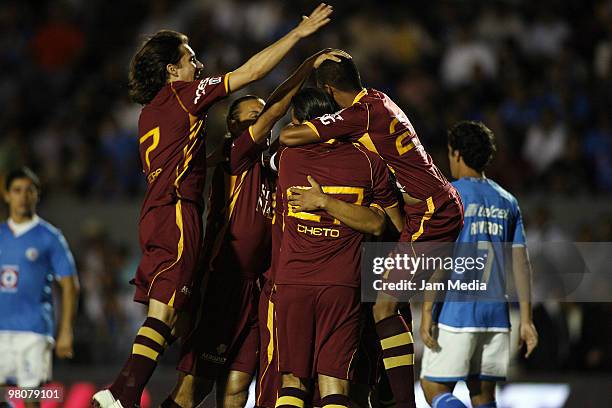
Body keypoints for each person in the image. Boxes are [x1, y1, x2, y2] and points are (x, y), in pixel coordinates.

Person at [92, 4, 333, 408]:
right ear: (171, 70)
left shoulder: (151, 112)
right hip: (178, 214)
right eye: (189, 59)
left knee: (166, 316)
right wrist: (299, 36)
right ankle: (124, 394)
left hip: (159, 213)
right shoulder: (184, 97)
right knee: (166, 315)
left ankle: (123, 392)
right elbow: (251, 74)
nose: (198, 65)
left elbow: (192, 159)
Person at [279, 56, 464, 408]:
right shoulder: (379, 99)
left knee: (383, 307)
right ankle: (391, 396)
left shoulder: (360, 113)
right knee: (390, 303)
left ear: (329, 90)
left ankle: (403, 403)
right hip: (428, 208)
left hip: (430, 211)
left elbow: (291, 134)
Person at [165, 50, 346, 408]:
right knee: (194, 388)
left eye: (262, 116)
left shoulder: (276, 164)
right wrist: (306, 67)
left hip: (258, 289)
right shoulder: (236, 154)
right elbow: (278, 110)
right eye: (252, 117)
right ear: (234, 127)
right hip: (223, 281)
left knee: (237, 387)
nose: (262, 122)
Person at [273, 87, 400, 408]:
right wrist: (332, 202)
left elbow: (278, 138)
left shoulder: (287, 158)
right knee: (335, 384)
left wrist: (321, 200)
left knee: (292, 381)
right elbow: (377, 224)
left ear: (299, 122)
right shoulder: (368, 162)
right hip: (342, 286)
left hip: (293, 282)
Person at [419, 121, 538, 408]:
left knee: (432, 387)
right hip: (496, 316)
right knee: (483, 396)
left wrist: (426, 310)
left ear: (456, 154)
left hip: (457, 313)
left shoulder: (450, 195)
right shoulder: (507, 201)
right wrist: (526, 320)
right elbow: (521, 263)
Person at [0, 167, 79, 408]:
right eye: (17, 190)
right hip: (1, 329)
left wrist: (65, 329)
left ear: (37, 195)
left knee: (31, 400)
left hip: (34, 331)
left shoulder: (49, 237)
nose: (23, 196)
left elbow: (69, 285)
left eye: (29, 191)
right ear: (6, 195)